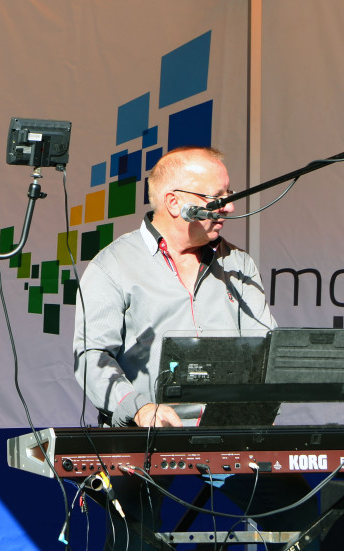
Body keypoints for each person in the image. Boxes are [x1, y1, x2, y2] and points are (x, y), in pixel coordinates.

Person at [73, 146, 316, 549]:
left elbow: (266, 347)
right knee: (134, 532)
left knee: (298, 511)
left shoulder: (238, 264)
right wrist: (139, 408)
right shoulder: (112, 266)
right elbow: (91, 357)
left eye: (229, 195)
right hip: (146, 437)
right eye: (216, 198)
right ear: (175, 203)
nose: (230, 207)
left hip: (228, 434)